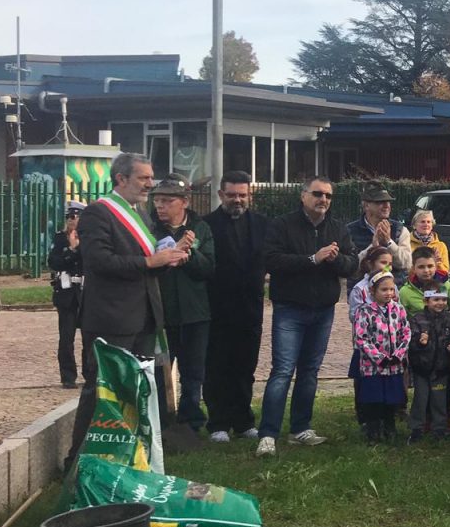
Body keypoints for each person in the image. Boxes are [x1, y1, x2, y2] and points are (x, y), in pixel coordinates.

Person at [68, 152, 188, 465]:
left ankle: (123, 458)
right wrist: (151, 261)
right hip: (110, 319)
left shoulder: (142, 214)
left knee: (135, 394)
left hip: (145, 318)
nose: (151, 184)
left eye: (151, 177)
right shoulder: (99, 213)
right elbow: (99, 262)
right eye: (144, 178)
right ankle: (78, 462)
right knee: (101, 391)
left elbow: (146, 268)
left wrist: (169, 259)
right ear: (121, 179)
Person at [256, 176, 357, 458]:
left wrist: (334, 259)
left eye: (327, 196)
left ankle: (301, 428)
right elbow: (272, 261)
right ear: (303, 196)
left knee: (310, 371)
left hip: (323, 309)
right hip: (290, 308)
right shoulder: (282, 225)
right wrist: (313, 259)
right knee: (282, 371)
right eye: (317, 194)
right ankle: (268, 434)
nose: (323, 200)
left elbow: (352, 264)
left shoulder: (337, 228)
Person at [150, 173, 216, 436]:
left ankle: (191, 423)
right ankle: (162, 422)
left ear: (184, 202)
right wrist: (172, 252)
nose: (160, 206)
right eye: (157, 200)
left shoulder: (201, 228)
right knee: (159, 371)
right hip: (161, 315)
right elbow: (148, 267)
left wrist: (189, 254)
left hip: (195, 313)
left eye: (167, 200)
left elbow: (209, 269)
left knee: (193, 371)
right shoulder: (150, 229)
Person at [204, 171, 268, 443]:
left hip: (250, 309)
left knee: (245, 367)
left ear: (249, 195)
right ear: (221, 195)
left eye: (242, 195)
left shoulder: (264, 224)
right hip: (216, 308)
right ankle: (218, 422)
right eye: (232, 195)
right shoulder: (205, 225)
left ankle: (243, 421)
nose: (238, 200)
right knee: (216, 367)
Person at [352, 271, 411, 443]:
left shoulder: (398, 309)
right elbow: (361, 338)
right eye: (384, 290)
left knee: (391, 398)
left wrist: (398, 354)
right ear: (372, 291)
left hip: (394, 365)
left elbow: (406, 332)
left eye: (391, 290)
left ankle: (389, 426)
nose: (389, 293)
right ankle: (373, 429)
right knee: (373, 398)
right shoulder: (364, 311)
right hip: (373, 367)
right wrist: (379, 358)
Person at [407, 287, 450, 443]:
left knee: (439, 399)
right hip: (422, 368)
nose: (440, 303)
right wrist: (420, 342)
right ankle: (416, 428)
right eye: (436, 299)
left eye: (443, 299)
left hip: (442, 368)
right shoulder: (417, 319)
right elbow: (411, 343)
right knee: (420, 399)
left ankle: (439, 429)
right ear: (426, 301)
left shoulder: (449, 318)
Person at [47, 200, 87, 388]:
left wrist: (78, 247)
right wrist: (71, 249)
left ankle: (90, 373)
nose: (72, 220)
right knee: (66, 336)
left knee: (90, 336)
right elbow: (55, 262)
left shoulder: (90, 239)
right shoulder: (60, 238)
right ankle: (68, 376)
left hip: (86, 292)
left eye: (76, 216)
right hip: (67, 293)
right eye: (69, 217)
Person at [346, 185, 412, 278]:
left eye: (388, 201)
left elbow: (407, 264)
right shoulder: (350, 231)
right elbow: (349, 268)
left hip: (393, 289)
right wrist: (372, 247)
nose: (387, 205)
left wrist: (389, 243)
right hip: (361, 290)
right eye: (380, 202)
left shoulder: (400, 230)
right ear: (366, 206)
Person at [399, 246, 450, 315]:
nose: (426, 270)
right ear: (413, 268)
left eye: (430, 266)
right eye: (421, 267)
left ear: (436, 266)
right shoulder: (405, 292)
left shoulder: (446, 285)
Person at [410, 209, 450, 274]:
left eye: (428, 222)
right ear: (414, 225)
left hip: (435, 283)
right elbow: (404, 269)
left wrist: (437, 262)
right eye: (422, 222)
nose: (426, 224)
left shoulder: (441, 246)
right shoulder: (407, 243)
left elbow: (445, 273)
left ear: (432, 225)